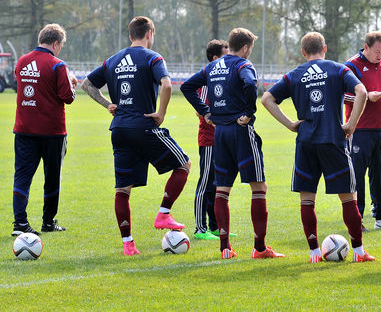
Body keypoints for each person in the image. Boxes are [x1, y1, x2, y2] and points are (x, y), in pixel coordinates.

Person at [261, 32, 375, 263]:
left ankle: (314, 254)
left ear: (303, 52)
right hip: (333, 140)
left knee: (307, 200)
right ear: (325, 48)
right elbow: (362, 91)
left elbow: (266, 99)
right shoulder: (338, 69)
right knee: (348, 198)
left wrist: (291, 124)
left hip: (306, 143)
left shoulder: (294, 75)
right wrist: (351, 124)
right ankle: (359, 252)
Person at [82, 16, 190, 255]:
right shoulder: (153, 58)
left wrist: (107, 104)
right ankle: (164, 214)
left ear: (131, 35)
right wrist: (161, 113)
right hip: (143, 127)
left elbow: (87, 84)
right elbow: (167, 84)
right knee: (184, 164)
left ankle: (128, 244)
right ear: (150, 33)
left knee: (123, 190)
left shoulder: (112, 60)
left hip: (119, 129)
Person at [181, 29, 282, 259]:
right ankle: (259, 248)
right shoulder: (243, 64)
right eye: (250, 48)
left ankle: (225, 248)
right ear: (245, 48)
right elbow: (250, 83)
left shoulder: (213, 67)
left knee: (222, 189)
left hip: (220, 133)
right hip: (240, 130)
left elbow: (187, 86)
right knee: (259, 187)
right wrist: (248, 111)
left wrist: (206, 112)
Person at [12, 23, 77, 236]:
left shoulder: (22, 61)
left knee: (22, 176)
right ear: (56, 43)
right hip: (52, 132)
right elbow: (67, 97)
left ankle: (20, 223)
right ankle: (48, 222)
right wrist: (72, 84)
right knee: (52, 177)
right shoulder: (58, 65)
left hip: (24, 129)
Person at [344, 31, 381, 230]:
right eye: (377, 51)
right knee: (357, 175)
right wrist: (366, 96)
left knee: (380, 173)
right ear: (366, 47)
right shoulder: (351, 66)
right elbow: (342, 95)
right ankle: (356, 220)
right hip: (360, 128)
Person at [191, 39, 228, 241]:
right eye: (225, 55)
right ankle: (200, 228)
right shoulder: (206, 80)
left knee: (217, 185)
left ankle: (214, 227)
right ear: (215, 58)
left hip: (221, 140)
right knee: (205, 184)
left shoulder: (221, 78)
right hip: (208, 140)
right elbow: (201, 111)